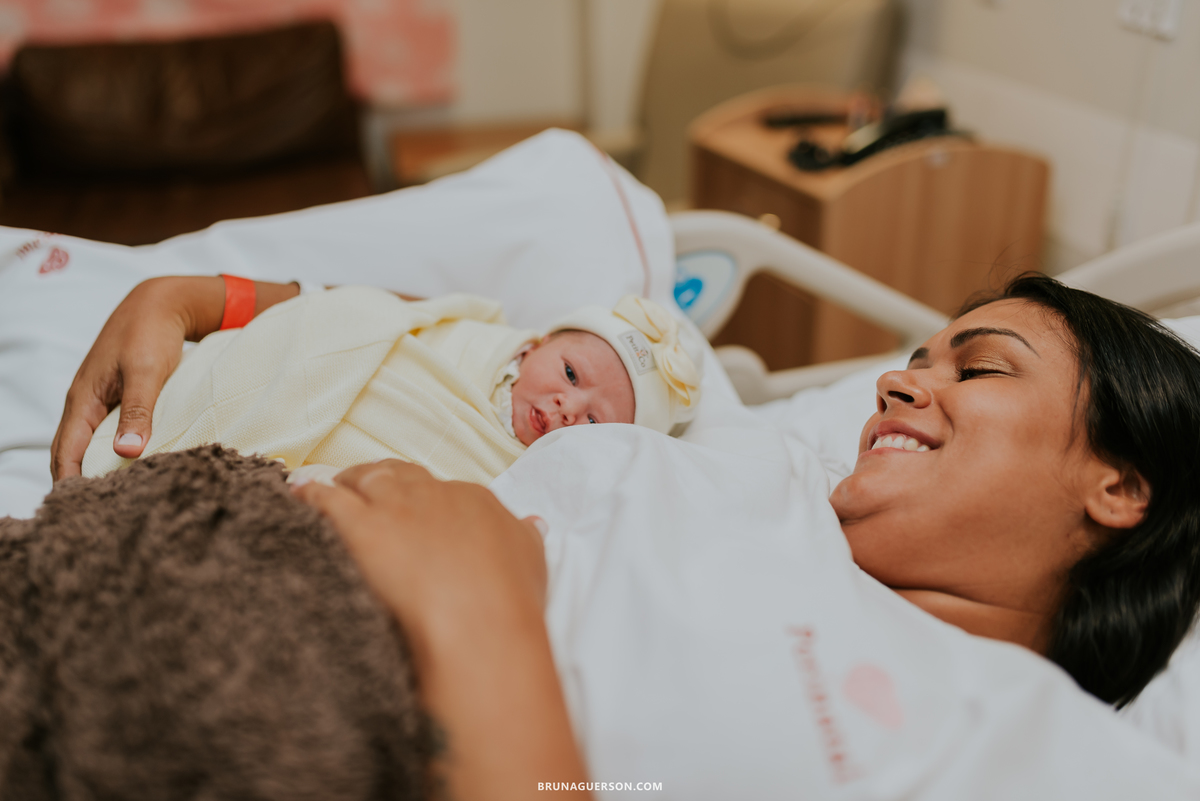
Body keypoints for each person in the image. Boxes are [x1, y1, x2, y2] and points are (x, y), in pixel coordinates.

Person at [51, 274, 1200, 796]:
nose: (898, 387)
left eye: (981, 368)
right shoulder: (763, 478)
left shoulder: (1026, 753)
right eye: (910, 362)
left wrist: (473, 615)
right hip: (162, 558)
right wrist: (212, 303)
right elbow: (475, 339)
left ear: (1119, 486)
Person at [74, 275, 701, 484]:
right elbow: (352, 310)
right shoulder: (468, 328)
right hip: (277, 368)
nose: (569, 407)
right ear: (534, 344)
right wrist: (180, 299)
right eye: (570, 373)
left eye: (594, 422)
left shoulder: (529, 475)